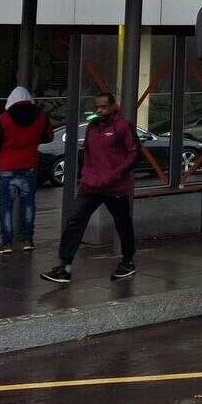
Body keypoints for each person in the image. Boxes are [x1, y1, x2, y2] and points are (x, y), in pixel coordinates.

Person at [40, 93, 140, 284]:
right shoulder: (92, 127)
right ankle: (65, 266)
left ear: (113, 107)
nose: (99, 110)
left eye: (103, 107)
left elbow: (134, 153)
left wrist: (116, 173)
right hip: (91, 184)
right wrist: (85, 175)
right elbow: (87, 153)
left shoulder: (123, 127)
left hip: (115, 186)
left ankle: (127, 261)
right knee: (75, 221)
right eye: (97, 107)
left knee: (122, 223)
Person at [0, 86, 53, 253]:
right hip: (30, 166)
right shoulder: (41, 117)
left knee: (6, 206)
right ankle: (27, 240)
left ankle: (7, 243)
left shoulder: (4, 118)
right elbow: (49, 136)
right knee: (28, 204)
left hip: (7, 167)